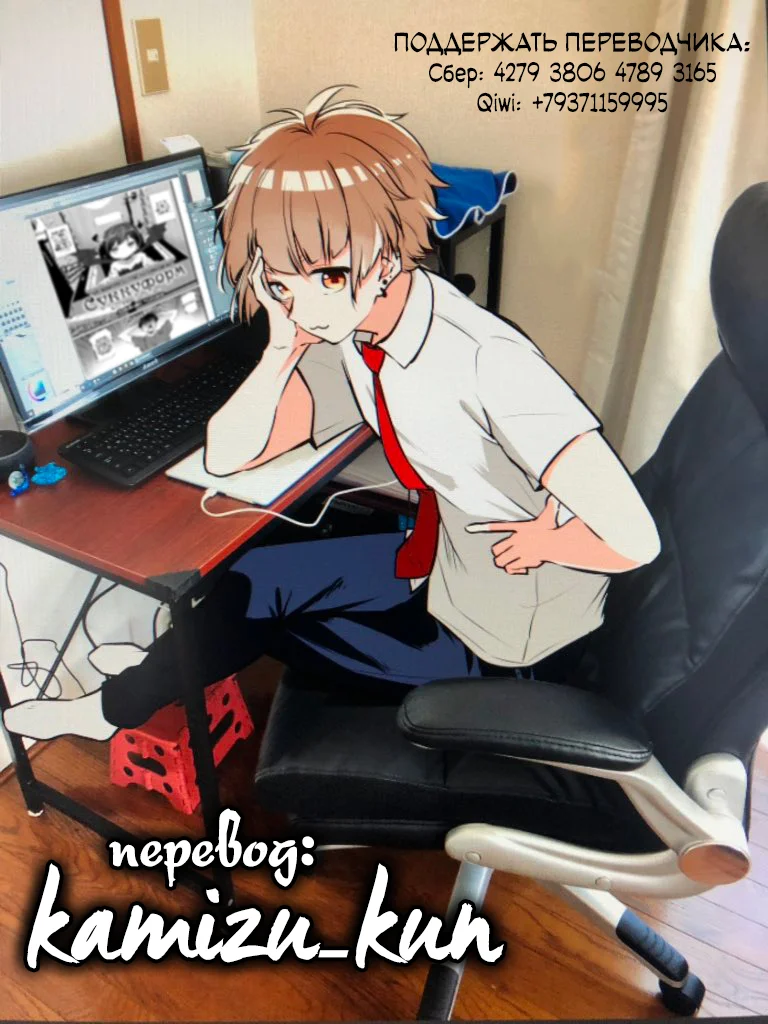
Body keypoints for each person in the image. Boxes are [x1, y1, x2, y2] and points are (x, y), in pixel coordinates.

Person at [3, 86, 660, 744]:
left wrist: (547, 543)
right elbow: (229, 455)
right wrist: (282, 347)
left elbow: (636, 539)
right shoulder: (364, 327)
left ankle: (117, 704)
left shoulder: (488, 361)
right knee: (253, 576)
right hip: (440, 568)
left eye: (325, 275)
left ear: (385, 252)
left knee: (255, 619)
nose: (304, 303)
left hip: (499, 642)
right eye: (280, 282)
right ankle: (146, 681)